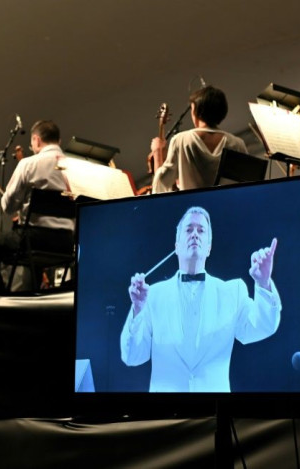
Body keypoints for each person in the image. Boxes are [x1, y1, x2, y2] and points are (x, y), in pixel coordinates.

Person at [120, 206, 281, 392]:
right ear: (176, 246)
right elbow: (132, 356)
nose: (195, 234)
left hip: (215, 412)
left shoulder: (232, 292)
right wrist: (137, 308)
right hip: (164, 414)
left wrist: (263, 282)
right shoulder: (152, 295)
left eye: (201, 230)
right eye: (189, 230)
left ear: (209, 247)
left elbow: (263, 326)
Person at [0, 120, 74, 295]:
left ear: (36, 140)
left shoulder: (29, 164)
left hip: (33, 239)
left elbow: (8, 206)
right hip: (66, 242)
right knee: (32, 261)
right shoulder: (75, 167)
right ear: (59, 141)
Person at [150, 85, 248, 194]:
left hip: (194, 209)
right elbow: (248, 186)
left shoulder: (181, 140)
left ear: (196, 112)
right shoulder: (237, 144)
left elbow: (161, 184)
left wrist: (157, 151)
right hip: (228, 208)